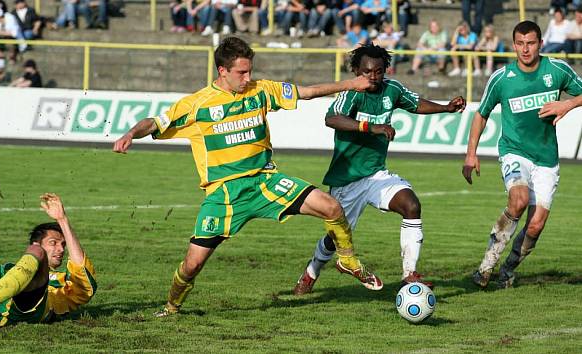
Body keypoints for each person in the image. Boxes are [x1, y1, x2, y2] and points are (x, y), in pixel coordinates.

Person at [113, 37, 380, 317]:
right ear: (223, 71)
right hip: (224, 194)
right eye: (242, 72)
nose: (248, 77)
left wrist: (351, 84)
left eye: (250, 70)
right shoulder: (197, 104)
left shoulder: (260, 90)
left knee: (332, 207)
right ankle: (171, 307)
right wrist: (131, 134)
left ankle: (348, 261)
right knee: (192, 265)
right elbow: (154, 123)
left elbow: (308, 92)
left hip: (266, 181)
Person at [292, 44, 466, 295]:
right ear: (355, 71)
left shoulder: (391, 89)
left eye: (378, 71)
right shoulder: (351, 92)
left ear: (385, 70)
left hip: (375, 175)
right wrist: (370, 127)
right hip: (346, 179)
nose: (372, 77)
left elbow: (415, 103)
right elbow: (332, 118)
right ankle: (311, 273)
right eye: (366, 72)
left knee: (411, 205)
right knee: (335, 239)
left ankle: (409, 274)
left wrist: (445, 107)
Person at [463, 21, 582, 290]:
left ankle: (508, 269)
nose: (525, 49)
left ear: (540, 43)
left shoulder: (557, 70)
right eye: (520, 43)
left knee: (536, 226)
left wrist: (568, 103)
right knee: (518, 199)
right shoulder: (502, 78)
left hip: (547, 158)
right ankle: (486, 266)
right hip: (514, 151)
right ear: (514, 44)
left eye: (530, 43)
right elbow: (480, 114)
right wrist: (471, 154)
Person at [0, 193, 96, 328]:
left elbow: (85, 283)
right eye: (53, 243)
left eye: (63, 245)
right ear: (35, 243)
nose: (61, 249)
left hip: (26, 310)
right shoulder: (9, 271)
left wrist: (62, 220)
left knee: (37, 254)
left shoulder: (64, 283)